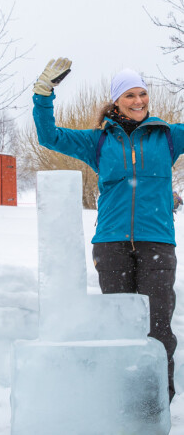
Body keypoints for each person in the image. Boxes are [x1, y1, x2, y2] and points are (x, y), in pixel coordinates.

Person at [32, 58, 182, 402]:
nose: (139, 100)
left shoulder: (168, 136)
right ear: (116, 101)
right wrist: (44, 94)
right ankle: (123, 401)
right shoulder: (98, 142)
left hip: (157, 243)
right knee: (120, 327)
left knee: (158, 327)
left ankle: (156, 403)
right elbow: (48, 136)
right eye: (130, 95)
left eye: (142, 93)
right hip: (111, 246)